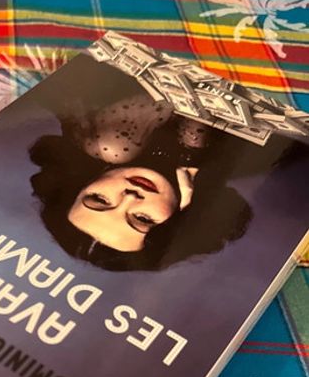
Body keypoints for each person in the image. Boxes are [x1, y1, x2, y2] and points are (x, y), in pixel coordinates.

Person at [29, 88, 255, 271]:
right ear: (174, 226)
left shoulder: (111, 145)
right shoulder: (232, 171)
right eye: (142, 218)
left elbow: (197, 90)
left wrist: (192, 154)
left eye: (100, 199)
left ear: (83, 184)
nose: (129, 197)